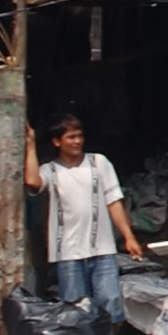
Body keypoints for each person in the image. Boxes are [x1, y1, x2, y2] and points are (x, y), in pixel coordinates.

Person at [25, 114, 143, 323]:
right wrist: (31, 145)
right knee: (75, 309)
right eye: (71, 137)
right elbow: (33, 182)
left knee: (110, 303)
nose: (77, 141)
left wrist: (129, 237)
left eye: (79, 136)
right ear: (57, 142)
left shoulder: (98, 163)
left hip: (102, 249)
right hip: (68, 253)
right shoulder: (51, 170)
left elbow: (114, 201)